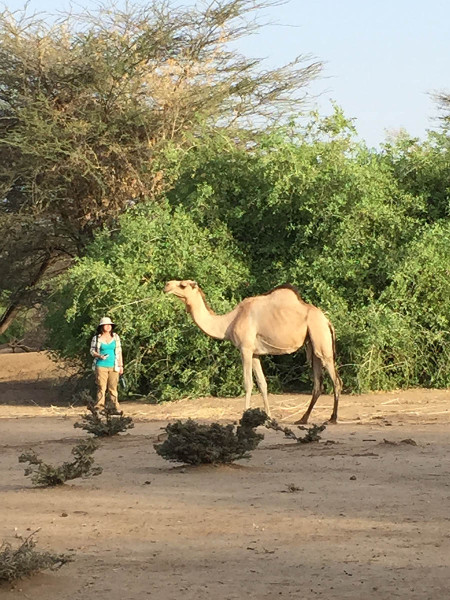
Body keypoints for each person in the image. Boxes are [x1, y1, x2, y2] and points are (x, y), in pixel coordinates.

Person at [90, 317, 124, 412]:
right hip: (101, 366)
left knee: (113, 388)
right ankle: (99, 407)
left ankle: (115, 406)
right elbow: (92, 351)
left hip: (114, 366)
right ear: (101, 327)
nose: (108, 326)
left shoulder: (116, 337)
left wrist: (121, 365)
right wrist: (99, 355)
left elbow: (119, 351)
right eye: (106, 325)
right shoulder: (96, 338)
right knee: (101, 387)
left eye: (110, 325)